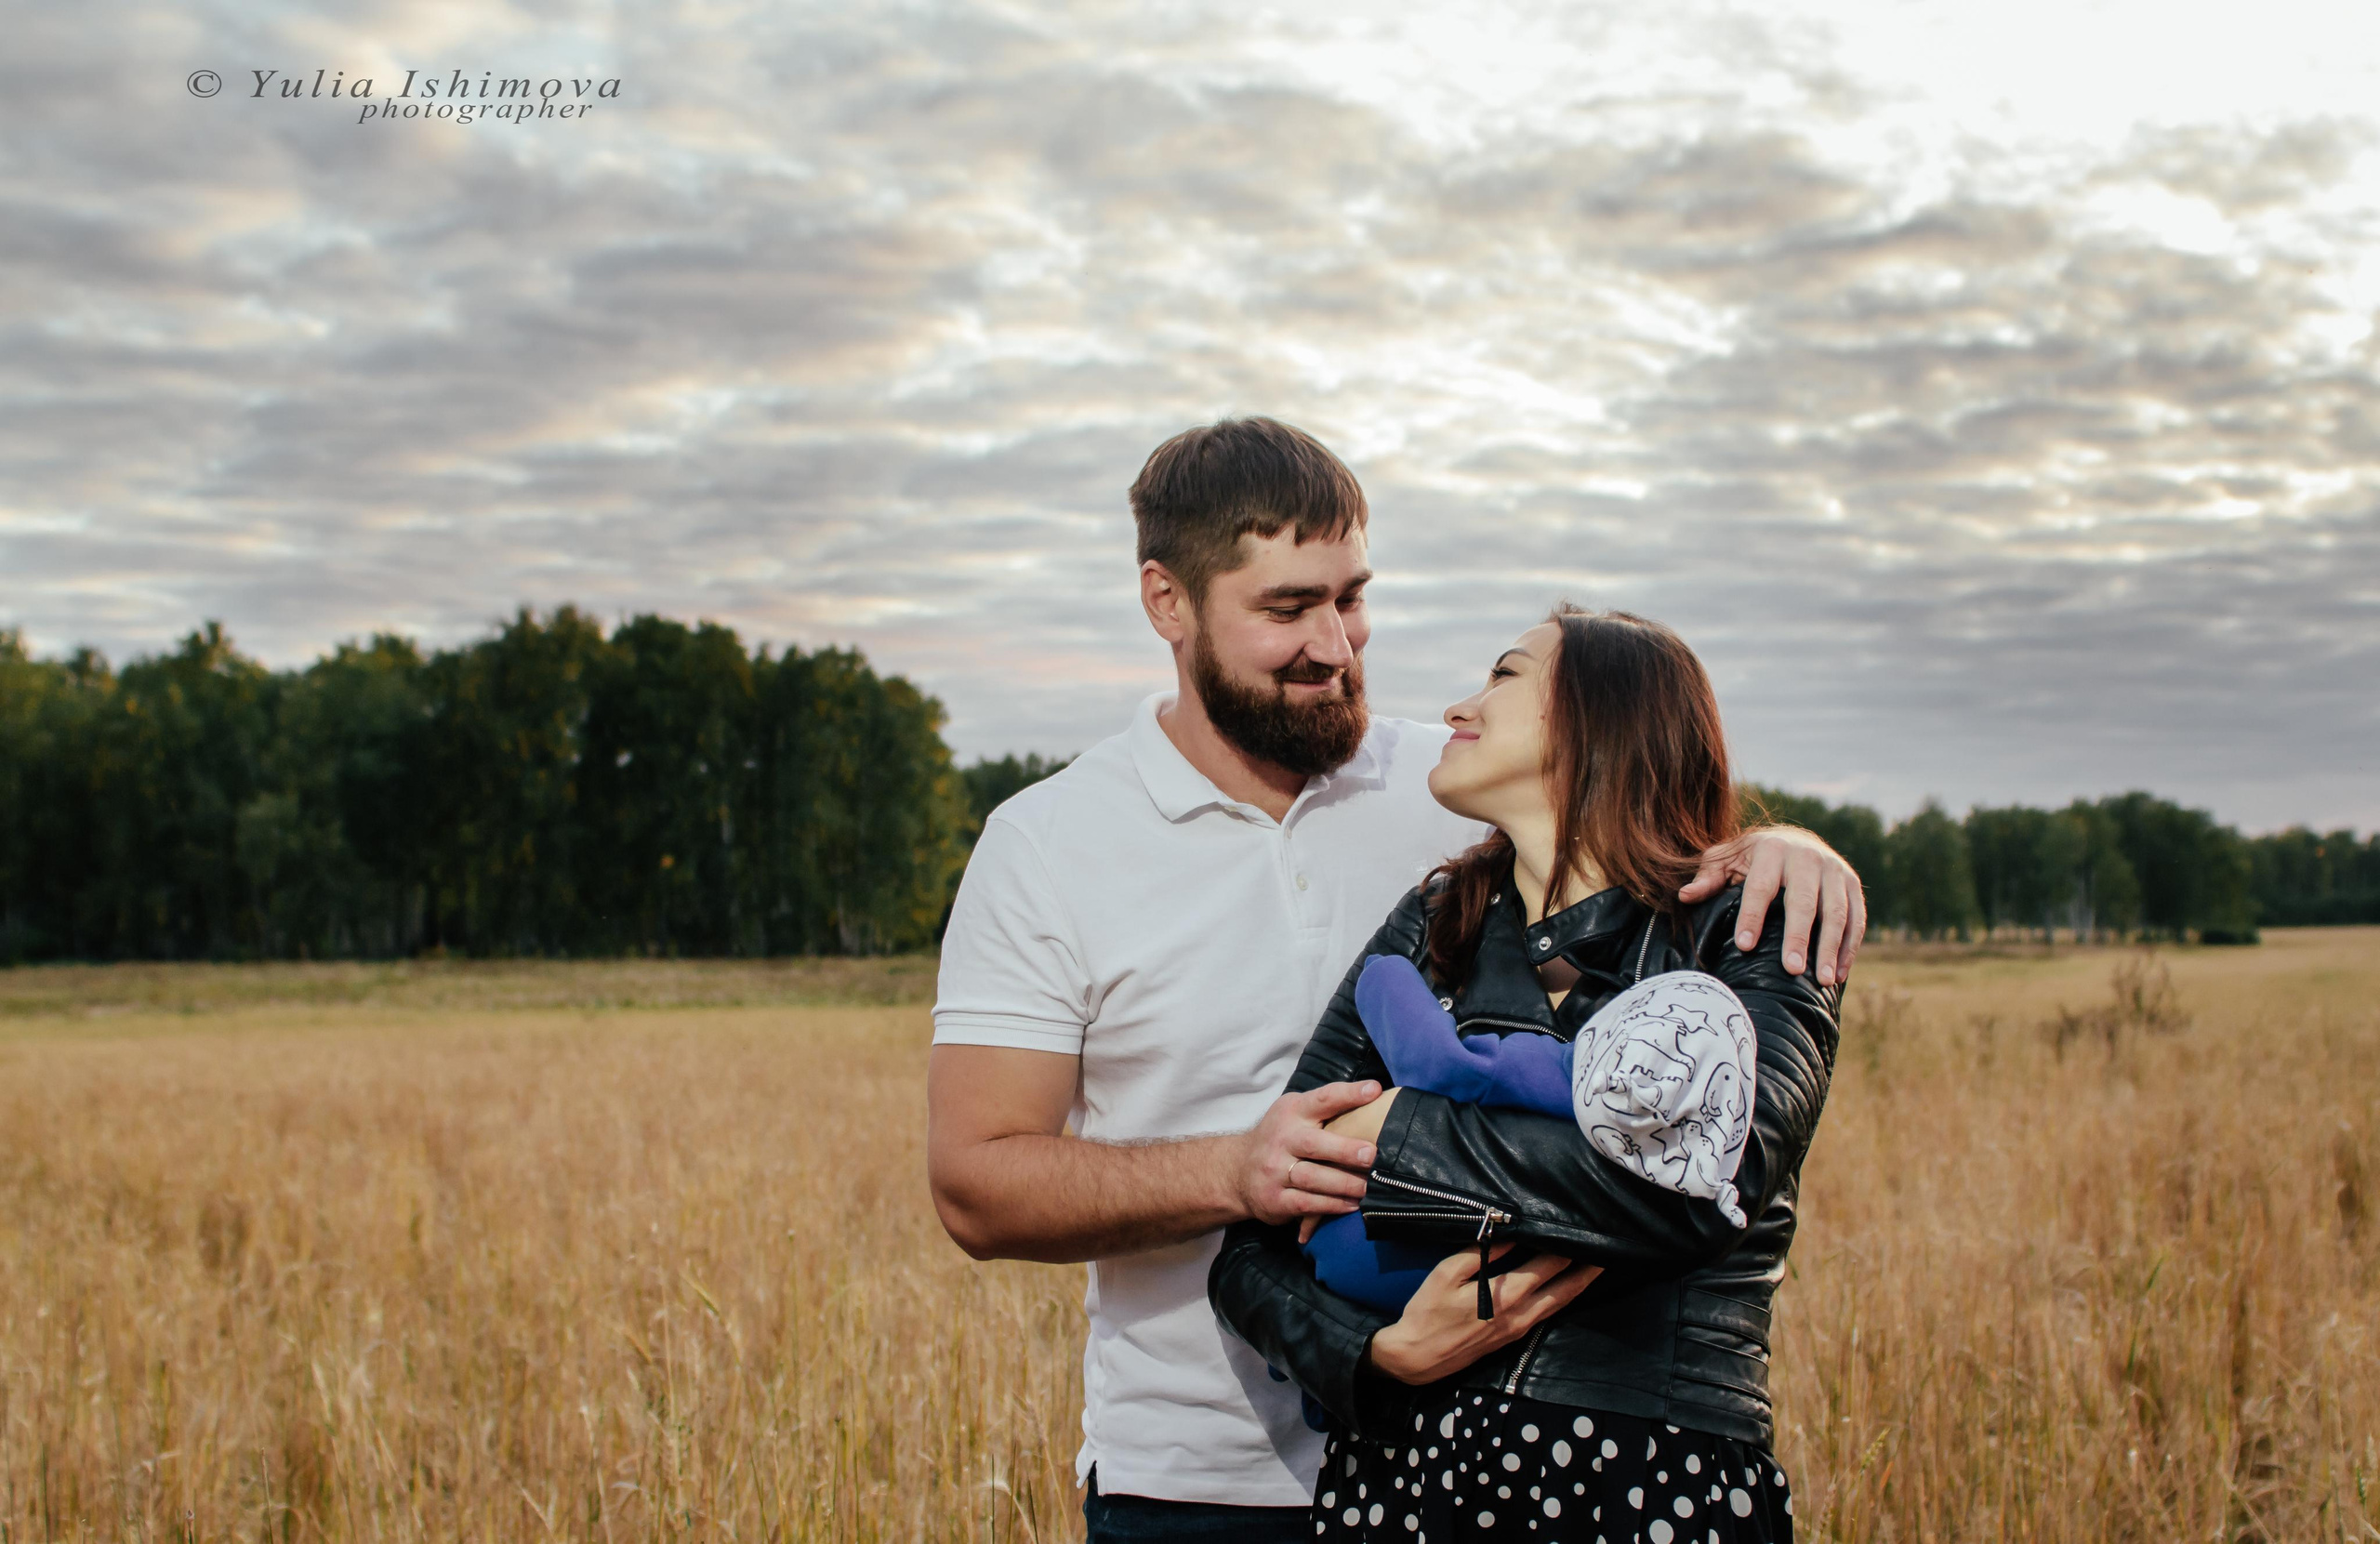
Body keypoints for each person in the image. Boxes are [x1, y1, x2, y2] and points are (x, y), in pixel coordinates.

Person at [927, 417, 1864, 1543]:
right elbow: (976, 1183)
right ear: (1166, 602)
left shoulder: (1445, 794)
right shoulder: (1046, 842)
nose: (1336, 644)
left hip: (1437, 1478)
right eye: (1286, 608)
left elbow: (1638, 806)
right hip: (1194, 1476)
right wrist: (1248, 1177)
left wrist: (1792, 844)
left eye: (1352, 596)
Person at [1208, 605, 1842, 1543]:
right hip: (1407, 1483)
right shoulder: (1431, 927)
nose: (1461, 703)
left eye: (1503, 674)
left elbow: (1711, 1182)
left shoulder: (1745, 922)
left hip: (1652, 1479)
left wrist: (1395, 1128)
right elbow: (1251, 1250)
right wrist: (1376, 1355)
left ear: (1597, 713)